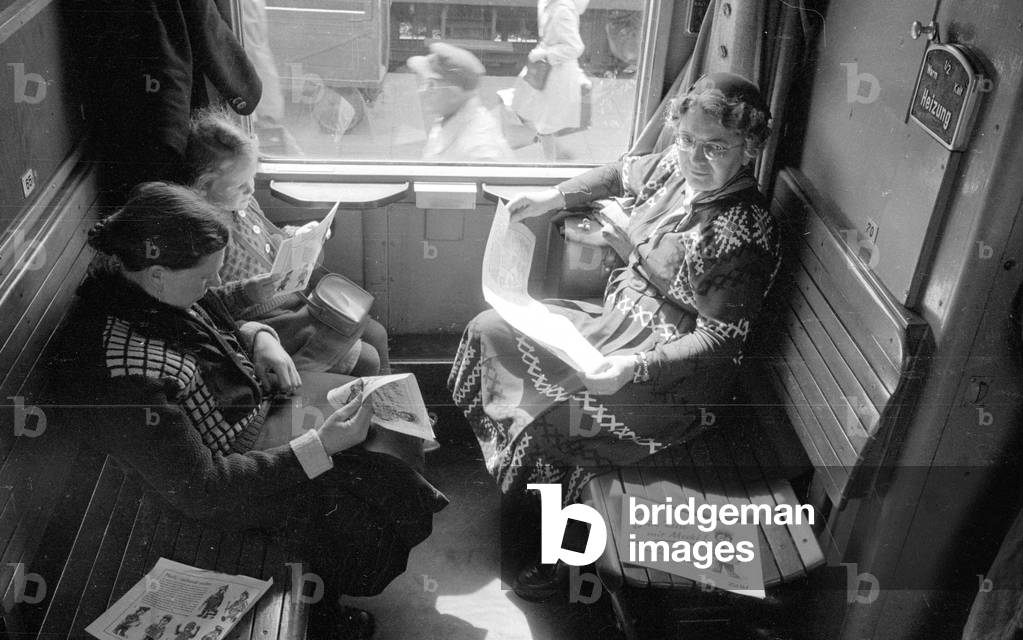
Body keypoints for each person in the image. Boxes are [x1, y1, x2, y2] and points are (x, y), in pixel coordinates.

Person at [50, 183, 448, 638]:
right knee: (357, 484)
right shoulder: (126, 375)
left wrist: (261, 336)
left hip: (247, 415)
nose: (210, 288)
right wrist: (323, 445)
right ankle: (326, 610)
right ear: (158, 273)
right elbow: (206, 488)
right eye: (204, 279)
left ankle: (353, 563)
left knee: (379, 411)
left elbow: (207, 327)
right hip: (228, 478)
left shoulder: (146, 292)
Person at [449, 72, 780, 599]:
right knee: (489, 329)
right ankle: (517, 488)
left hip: (670, 367)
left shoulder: (741, 229)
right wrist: (551, 197)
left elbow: (719, 341)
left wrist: (635, 367)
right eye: (687, 139)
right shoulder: (677, 168)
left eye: (715, 147)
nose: (695, 157)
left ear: (750, 147)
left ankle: (558, 556)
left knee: (550, 419)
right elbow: (619, 174)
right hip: (614, 323)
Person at [183, 108, 391, 376]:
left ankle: (394, 402)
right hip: (264, 320)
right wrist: (246, 292)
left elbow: (269, 240)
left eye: (252, 179)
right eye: (240, 186)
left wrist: (297, 237)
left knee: (377, 333)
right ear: (203, 186)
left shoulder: (245, 206)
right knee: (368, 359)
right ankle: (378, 405)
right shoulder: (204, 235)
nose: (250, 190)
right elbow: (204, 304)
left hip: (291, 303)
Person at [511, 0, 592, 161]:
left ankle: (550, 166)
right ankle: (553, 151)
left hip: (556, 74)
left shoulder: (562, 10)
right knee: (522, 107)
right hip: (544, 70)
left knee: (546, 123)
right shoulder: (547, 3)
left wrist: (545, 54)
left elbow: (575, 47)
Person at [408, 42, 514, 162]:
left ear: (453, 93)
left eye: (431, 84)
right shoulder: (448, 117)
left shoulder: (480, 152)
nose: (422, 91)